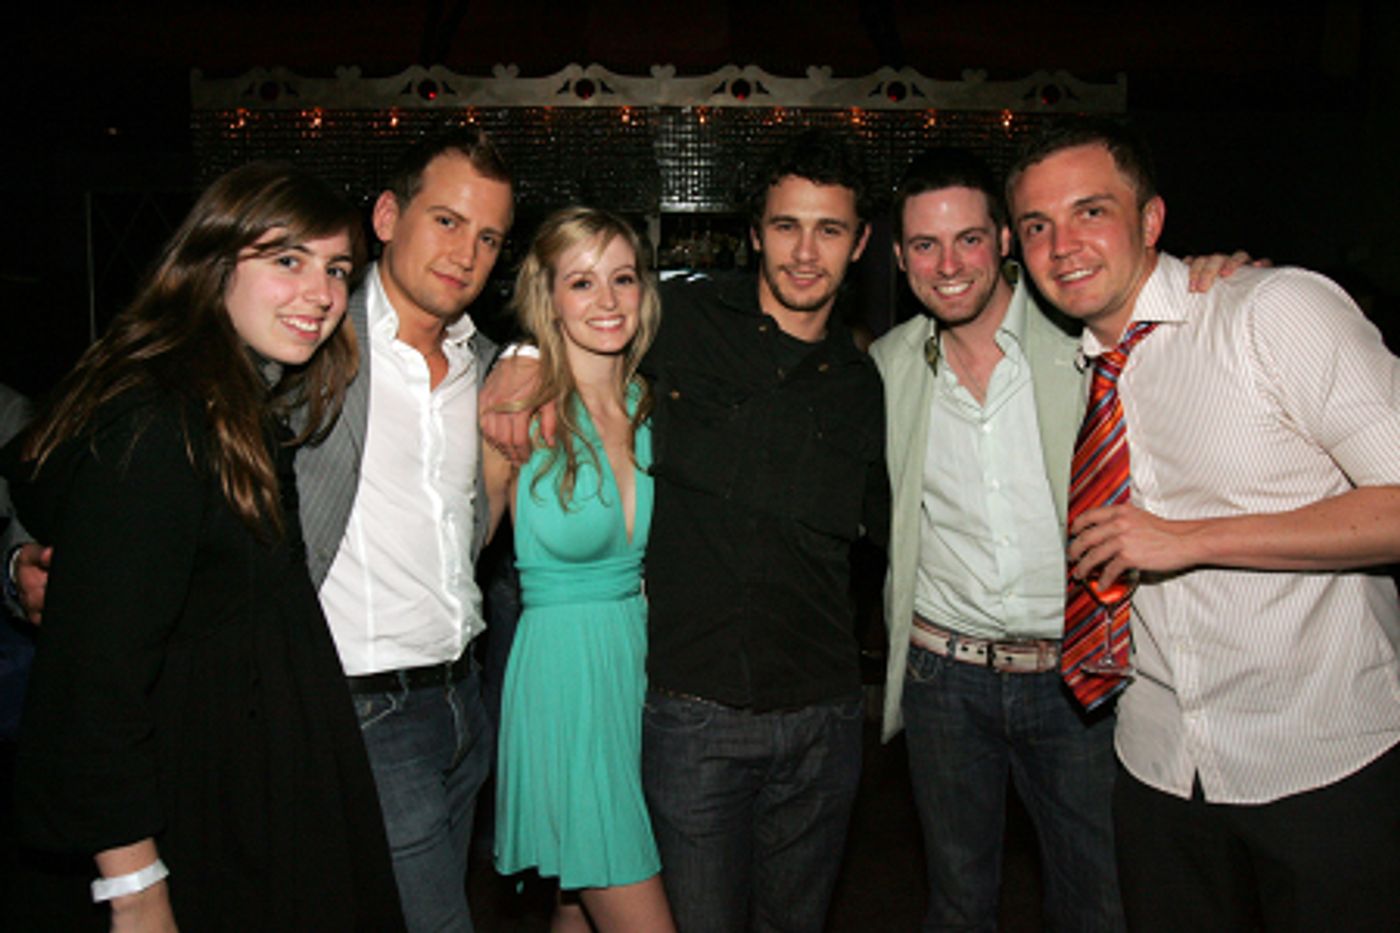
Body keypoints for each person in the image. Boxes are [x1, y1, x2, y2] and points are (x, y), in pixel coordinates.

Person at [483, 128, 889, 933]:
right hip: (669, 712)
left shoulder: (858, 379)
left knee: (580, 906)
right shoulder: (684, 324)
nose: (806, 252)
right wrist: (521, 350)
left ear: (861, 242)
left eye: (830, 229)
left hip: (793, 713)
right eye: (786, 225)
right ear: (755, 233)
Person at [1007, 116, 1400, 931]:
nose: (1063, 244)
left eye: (1090, 211)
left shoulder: (1270, 312)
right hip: (1156, 765)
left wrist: (1190, 539)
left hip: (1320, 760)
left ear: (1151, 219)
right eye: (1037, 225)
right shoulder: (1077, 368)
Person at [0, 162, 404, 931]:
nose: (321, 293)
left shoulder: (230, 401)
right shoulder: (160, 421)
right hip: (197, 818)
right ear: (214, 261)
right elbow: (94, 688)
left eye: (336, 269)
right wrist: (136, 886)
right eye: (287, 259)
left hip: (249, 797)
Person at [870, 148, 1124, 931]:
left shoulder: (1088, 342)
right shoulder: (886, 368)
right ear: (899, 256)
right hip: (944, 676)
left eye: (969, 239)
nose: (948, 265)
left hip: (1076, 676)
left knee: (1097, 901)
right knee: (957, 902)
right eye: (925, 245)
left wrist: (1223, 274)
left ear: (1005, 239)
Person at [296, 129, 514, 933]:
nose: (466, 253)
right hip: (364, 707)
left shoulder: (486, 365)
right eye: (447, 221)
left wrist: (525, 347)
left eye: (488, 236)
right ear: (387, 216)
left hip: (462, 701)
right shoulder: (314, 336)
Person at [483, 206, 674, 932]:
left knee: (577, 912)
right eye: (582, 282)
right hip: (564, 685)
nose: (607, 300)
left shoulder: (651, 403)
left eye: (622, 278)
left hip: (634, 672)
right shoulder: (518, 408)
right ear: (550, 297)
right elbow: (457, 542)